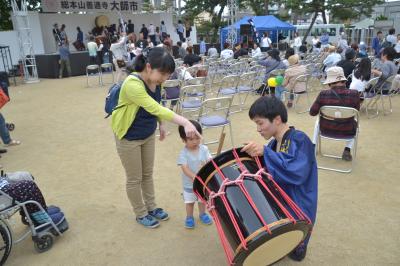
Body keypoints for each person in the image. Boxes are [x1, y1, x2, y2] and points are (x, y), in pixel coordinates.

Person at [111, 47, 201, 228]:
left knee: (147, 174)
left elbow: (157, 104)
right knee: (134, 178)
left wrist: (161, 124)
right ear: (149, 67)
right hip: (128, 136)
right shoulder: (132, 83)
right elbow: (155, 107)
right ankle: (140, 212)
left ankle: (151, 207)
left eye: (167, 75)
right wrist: (185, 122)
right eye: (163, 74)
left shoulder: (156, 81)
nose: (165, 79)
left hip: (147, 133)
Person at [241, 96, 317, 262]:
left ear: (277, 119)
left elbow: (297, 172)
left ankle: (298, 246)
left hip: (299, 200)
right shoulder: (274, 144)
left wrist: (265, 152)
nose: (258, 129)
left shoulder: (299, 138)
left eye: (260, 123)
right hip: (284, 199)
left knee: (296, 249)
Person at [310, 67, 360, 161]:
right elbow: (356, 111)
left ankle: (313, 146)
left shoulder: (323, 94)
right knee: (356, 121)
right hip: (348, 130)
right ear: (344, 80)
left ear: (330, 82)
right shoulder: (354, 94)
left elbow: (312, 113)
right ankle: (347, 149)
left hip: (325, 129)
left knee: (317, 122)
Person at [177, 120, 213, 229]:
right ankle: (189, 217)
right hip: (189, 184)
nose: (195, 141)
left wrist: (209, 163)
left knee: (202, 200)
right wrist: (194, 177)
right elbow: (185, 168)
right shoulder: (183, 153)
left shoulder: (204, 149)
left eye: (197, 138)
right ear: (183, 140)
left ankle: (202, 214)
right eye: (191, 139)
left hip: (203, 183)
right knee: (190, 202)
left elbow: (210, 160)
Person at [0, 178, 65, 226]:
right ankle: (41, 219)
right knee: (29, 186)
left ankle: (42, 212)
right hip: (3, 194)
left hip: (4, 188)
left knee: (28, 183)